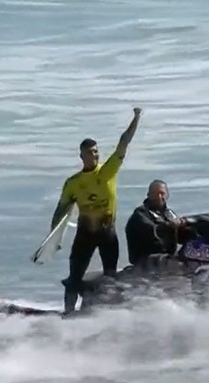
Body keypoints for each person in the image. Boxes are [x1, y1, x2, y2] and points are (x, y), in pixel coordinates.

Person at [51, 107, 142, 313]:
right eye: (91, 152)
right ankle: (68, 312)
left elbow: (124, 141)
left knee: (111, 276)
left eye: (96, 151)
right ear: (81, 155)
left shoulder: (108, 170)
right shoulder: (73, 183)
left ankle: (109, 311)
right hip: (85, 235)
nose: (95, 154)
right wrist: (54, 239)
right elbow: (61, 210)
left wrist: (136, 118)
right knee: (75, 275)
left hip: (107, 233)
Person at [125, 179, 183, 267]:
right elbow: (153, 230)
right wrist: (170, 225)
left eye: (162, 193)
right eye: (155, 194)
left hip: (166, 257)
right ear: (148, 195)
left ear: (167, 195)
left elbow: (181, 234)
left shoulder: (169, 213)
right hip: (145, 259)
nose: (159, 197)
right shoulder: (140, 214)